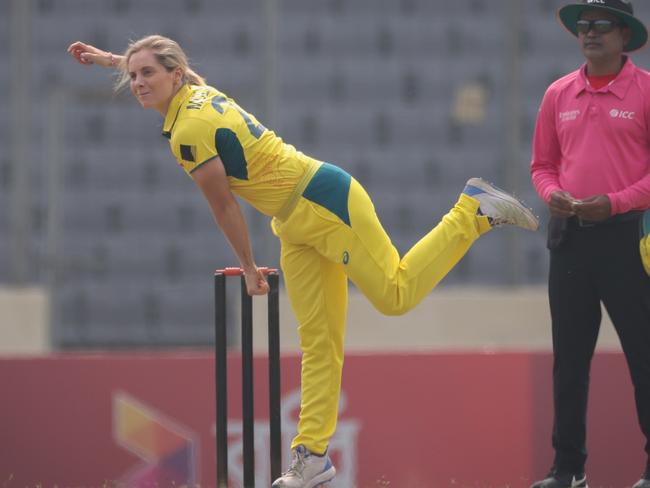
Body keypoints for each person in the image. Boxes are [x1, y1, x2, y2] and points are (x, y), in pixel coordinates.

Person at [68, 35, 538, 488]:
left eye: (146, 73)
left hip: (325, 201)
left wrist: (249, 269)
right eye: (132, 76)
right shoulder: (196, 91)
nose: (137, 83)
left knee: (395, 295)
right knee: (319, 343)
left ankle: (471, 213)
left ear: (173, 74)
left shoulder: (187, 132)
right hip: (294, 223)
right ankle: (312, 457)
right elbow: (168, 71)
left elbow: (224, 206)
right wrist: (111, 59)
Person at [530, 1, 650, 487]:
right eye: (584, 26)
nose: (590, 33)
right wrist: (551, 195)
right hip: (571, 238)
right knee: (570, 358)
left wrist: (617, 203)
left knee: (644, 355)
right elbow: (542, 165)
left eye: (602, 25)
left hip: (629, 240)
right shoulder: (559, 94)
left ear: (624, 35)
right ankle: (568, 469)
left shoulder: (645, 91)